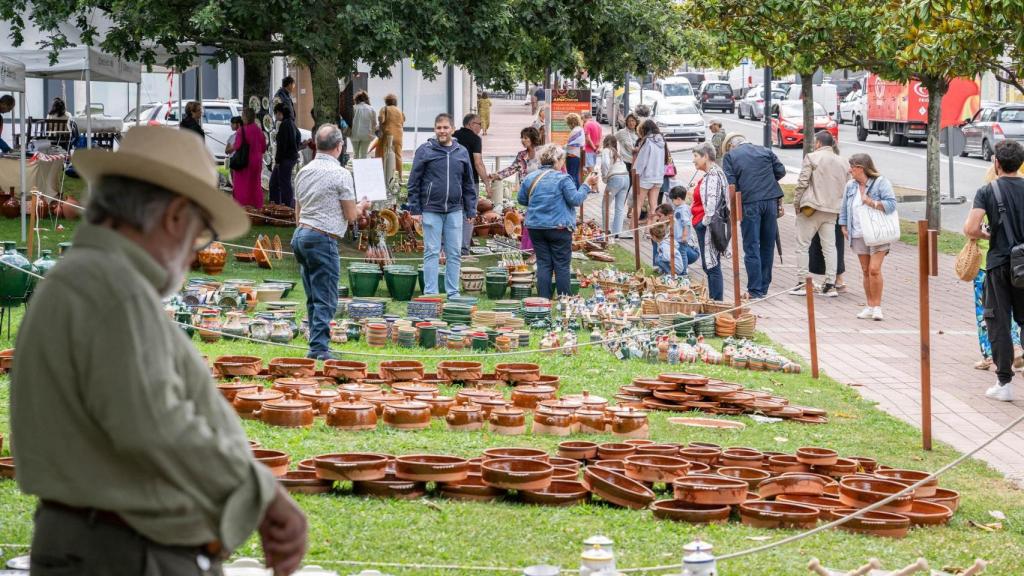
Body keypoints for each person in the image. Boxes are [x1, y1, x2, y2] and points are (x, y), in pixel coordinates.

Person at [10, 125, 307, 574]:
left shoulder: (90, 280)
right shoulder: (110, 288)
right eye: (201, 234)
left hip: (109, 545)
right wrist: (261, 496)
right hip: (123, 553)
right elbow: (155, 424)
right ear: (173, 216)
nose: (195, 254)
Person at [294, 125, 369, 360]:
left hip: (301, 234)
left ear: (316, 144)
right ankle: (319, 349)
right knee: (326, 295)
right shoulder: (341, 174)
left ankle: (316, 345)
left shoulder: (303, 171)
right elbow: (350, 215)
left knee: (313, 295)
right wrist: (362, 206)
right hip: (322, 237)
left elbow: (298, 209)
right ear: (339, 147)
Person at [963, 139, 1024, 401]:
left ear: (996, 163)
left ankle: (1004, 383)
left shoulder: (987, 191)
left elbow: (971, 227)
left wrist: (991, 235)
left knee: (997, 321)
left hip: (999, 263)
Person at [407, 113, 477, 297]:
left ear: (452, 129)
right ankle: (431, 293)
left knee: (454, 253)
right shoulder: (425, 150)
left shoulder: (461, 151)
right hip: (431, 209)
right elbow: (414, 180)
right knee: (432, 252)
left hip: (455, 210)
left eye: (446, 127)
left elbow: (468, 183)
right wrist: (414, 208)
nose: (442, 131)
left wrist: (471, 208)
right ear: (434, 129)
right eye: (439, 127)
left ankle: (453, 293)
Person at [518, 144, 597, 298]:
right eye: (563, 160)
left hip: (536, 227)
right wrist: (587, 184)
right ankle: (564, 300)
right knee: (561, 265)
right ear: (558, 160)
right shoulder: (563, 178)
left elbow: (522, 199)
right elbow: (575, 200)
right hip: (559, 227)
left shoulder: (530, 177)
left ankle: (543, 300)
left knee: (543, 264)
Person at [722, 133, 786, 299]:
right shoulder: (765, 151)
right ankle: (763, 287)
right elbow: (781, 171)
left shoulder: (730, 156)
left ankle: (755, 290)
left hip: (749, 202)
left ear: (731, 146)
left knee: (751, 246)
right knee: (767, 245)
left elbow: (731, 184)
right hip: (770, 200)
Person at [838, 153, 897, 321]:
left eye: (852, 167)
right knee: (865, 270)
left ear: (861, 168)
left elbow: (892, 204)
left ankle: (877, 306)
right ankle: (869, 305)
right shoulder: (850, 186)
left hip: (878, 232)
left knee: (874, 269)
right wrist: (843, 225)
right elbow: (844, 207)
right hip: (858, 232)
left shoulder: (881, 183)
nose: (850, 170)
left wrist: (871, 202)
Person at [791, 131, 847, 297]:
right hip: (832, 209)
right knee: (830, 247)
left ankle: (802, 281)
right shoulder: (843, 162)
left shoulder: (811, 157)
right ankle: (830, 283)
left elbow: (802, 182)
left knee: (802, 245)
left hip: (811, 207)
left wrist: (796, 203)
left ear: (818, 143)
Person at [691, 142, 726, 301]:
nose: (694, 160)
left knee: (711, 265)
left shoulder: (713, 175)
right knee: (710, 264)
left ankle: (716, 301)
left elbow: (711, 203)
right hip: (705, 224)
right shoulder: (713, 173)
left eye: (696, 156)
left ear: (705, 156)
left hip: (707, 226)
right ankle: (714, 300)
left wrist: (703, 223)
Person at [453, 113, 492, 255]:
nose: (481, 128)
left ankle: (449, 247)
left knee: (452, 212)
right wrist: (487, 183)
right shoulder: (475, 139)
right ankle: (463, 249)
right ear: (470, 124)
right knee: (469, 213)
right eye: (479, 124)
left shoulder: (453, 136)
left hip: (452, 181)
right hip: (470, 182)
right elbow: (478, 163)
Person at [229, 109, 268, 209]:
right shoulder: (259, 131)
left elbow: (237, 146)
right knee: (255, 184)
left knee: (241, 185)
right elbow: (264, 148)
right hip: (257, 162)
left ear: (245, 117)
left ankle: (242, 206)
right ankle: (256, 206)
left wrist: (230, 147)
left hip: (244, 162)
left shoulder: (241, 131)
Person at [659, 188, 701, 277]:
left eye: (673, 200)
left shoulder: (683, 209)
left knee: (682, 254)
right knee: (680, 253)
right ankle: (679, 270)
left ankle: (683, 272)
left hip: (681, 238)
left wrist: (684, 236)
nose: (672, 202)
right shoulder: (678, 208)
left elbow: (686, 224)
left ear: (678, 199)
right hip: (677, 237)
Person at [633, 119, 666, 224]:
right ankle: (650, 230)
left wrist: (635, 173)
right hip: (658, 177)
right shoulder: (662, 141)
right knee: (653, 205)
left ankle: (632, 230)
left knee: (638, 203)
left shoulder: (647, 141)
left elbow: (641, 161)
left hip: (646, 177)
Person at [270, 102, 301, 208]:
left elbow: (282, 146)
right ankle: (280, 205)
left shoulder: (285, 125)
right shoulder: (291, 123)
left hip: (285, 159)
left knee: (282, 183)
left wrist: (277, 161)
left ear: (280, 112)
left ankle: (286, 207)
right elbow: (298, 136)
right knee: (279, 182)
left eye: (275, 113)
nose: (275, 116)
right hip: (290, 157)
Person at [600, 133, 629, 237]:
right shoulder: (617, 153)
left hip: (615, 178)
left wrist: (605, 176)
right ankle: (617, 232)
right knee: (620, 207)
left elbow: (604, 163)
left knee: (605, 205)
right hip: (626, 177)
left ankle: (605, 230)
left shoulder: (606, 150)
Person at [376, 93, 406, 181]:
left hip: (388, 135)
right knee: (398, 155)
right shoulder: (399, 110)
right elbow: (403, 120)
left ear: (386, 101)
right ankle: (400, 177)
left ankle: (383, 175)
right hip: (399, 135)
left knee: (383, 154)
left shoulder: (384, 109)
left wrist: (380, 127)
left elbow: (382, 118)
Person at [350, 90, 377, 159]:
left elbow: (349, 121)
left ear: (356, 99)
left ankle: (356, 169)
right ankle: (362, 169)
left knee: (355, 154)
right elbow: (374, 123)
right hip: (367, 134)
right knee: (364, 154)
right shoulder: (371, 109)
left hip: (354, 133)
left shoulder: (353, 108)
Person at [564, 113, 584, 186]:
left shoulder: (576, 131)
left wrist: (562, 148)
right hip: (576, 155)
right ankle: (577, 192)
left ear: (571, 122)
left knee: (572, 177)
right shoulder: (580, 129)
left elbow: (570, 144)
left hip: (572, 156)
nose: (568, 125)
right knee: (575, 176)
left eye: (568, 123)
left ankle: (574, 192)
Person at [583, 110, 603, 175]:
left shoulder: (587, 124)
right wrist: (598, 148)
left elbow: (588, 139)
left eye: (582, 118)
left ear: (585, 117)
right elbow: (601, 138)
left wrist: (594, 148)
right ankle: (594, 183)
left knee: (590, 171)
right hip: (595, 150)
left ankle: (594, 184)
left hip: (589, 150)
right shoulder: (598, 124)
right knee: (592, 169)